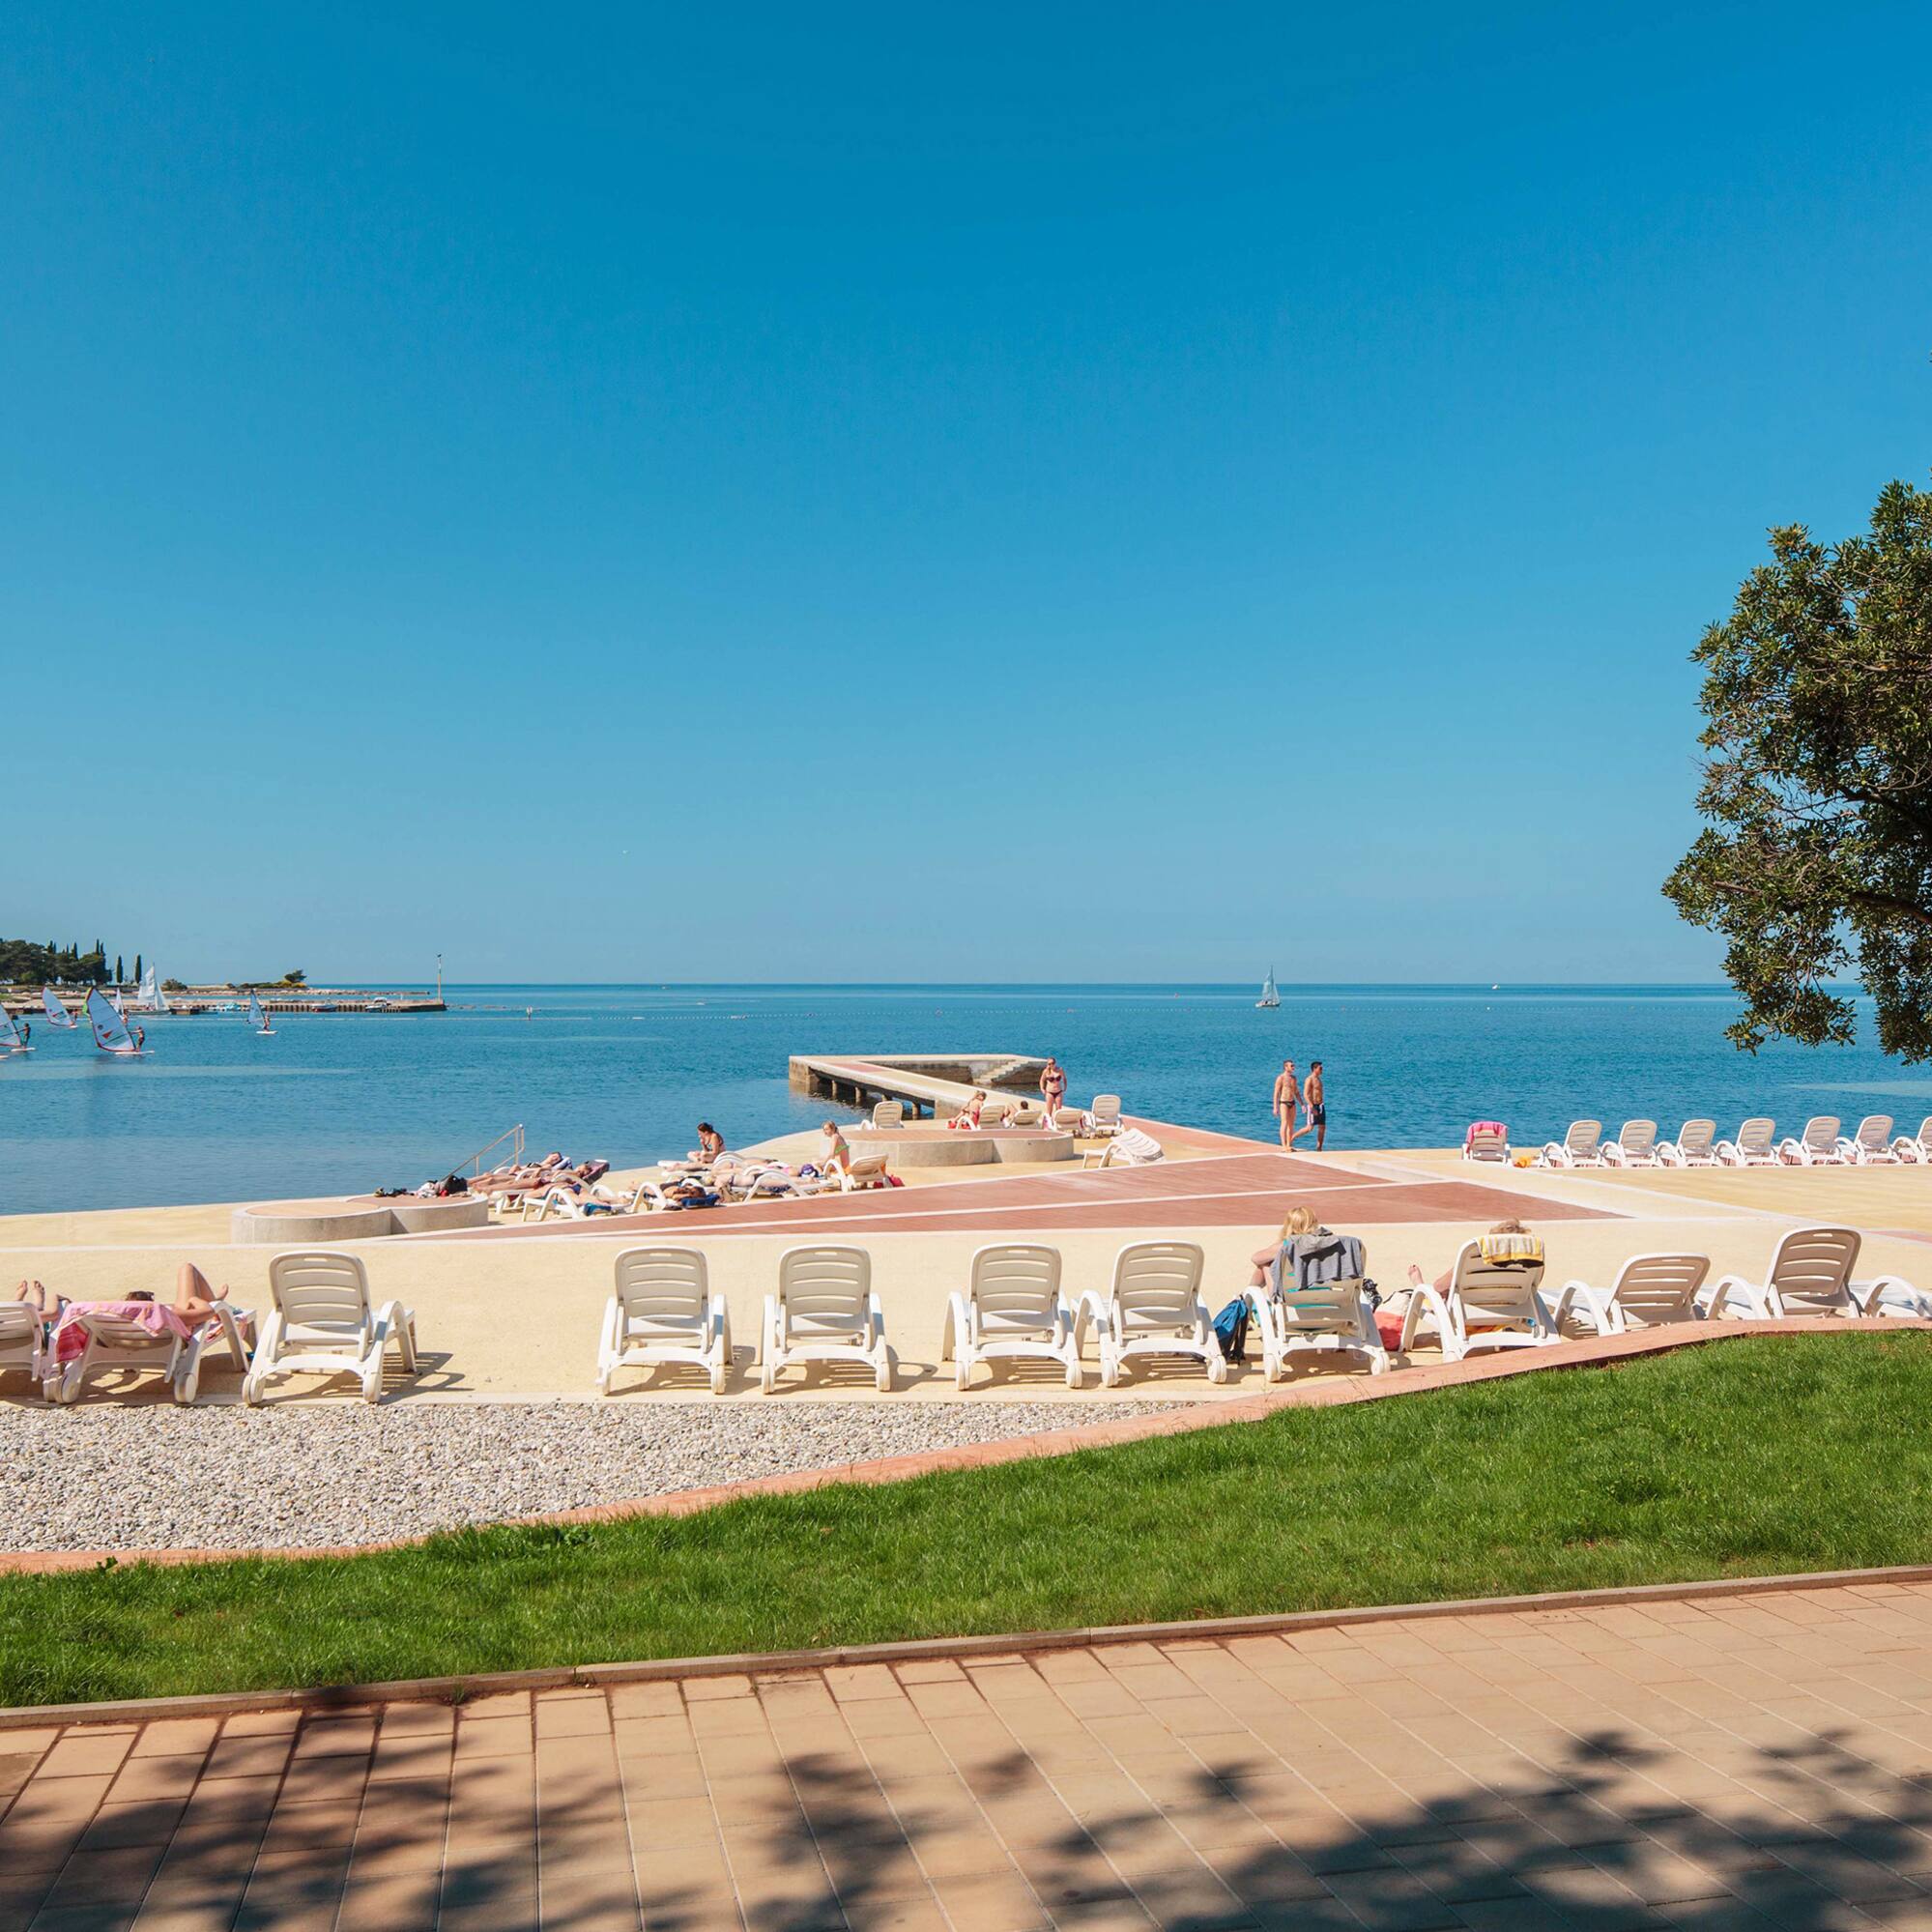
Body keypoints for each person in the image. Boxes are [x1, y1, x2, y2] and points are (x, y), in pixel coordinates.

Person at [1272, 1059, 1300, 1150]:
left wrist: (1302, 1104)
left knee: (1291, 1125)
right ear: (1285, 1067)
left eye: (1293, 1065)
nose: (1293, 1067)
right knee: (1284, 1123)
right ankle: (1283, 1145)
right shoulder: (1281, 1078)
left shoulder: (1294, 1078)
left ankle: (1289, 1144)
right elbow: (1276, 1093)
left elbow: (1296, 1092)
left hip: (1292, 1102)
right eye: (1291, 1066)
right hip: (1283, 1102)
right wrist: (1275, 1107)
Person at [1038, 1058, 1068, 1130]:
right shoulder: (1046, 1071)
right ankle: (1048, 1125)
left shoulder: (1060, 1070)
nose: (1051, 1065)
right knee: (1049, 1111)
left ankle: (1057, 1125)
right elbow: (1041, 1080)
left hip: (1058, 1091)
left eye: (1052, 1063)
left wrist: (1065, 1087)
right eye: (1049, 1064)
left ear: (1055, 1063)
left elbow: (1064, 1079)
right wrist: (1042, 1089)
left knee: (1058, 1110)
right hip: (1049, 1092)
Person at [1305, 1060, 1327, 1151]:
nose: (1322, 1070)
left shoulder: (1318, 1079)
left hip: (1321, 1105)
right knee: (1309, 1128)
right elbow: (1305, 1094)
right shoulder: (1309, 1079)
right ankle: (1292, 1137)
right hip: (1313, 1105)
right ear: (1314, 1069)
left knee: (1322, 1127)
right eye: (1320, 1068)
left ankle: (1319, 1147)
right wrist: (1311, 1106)